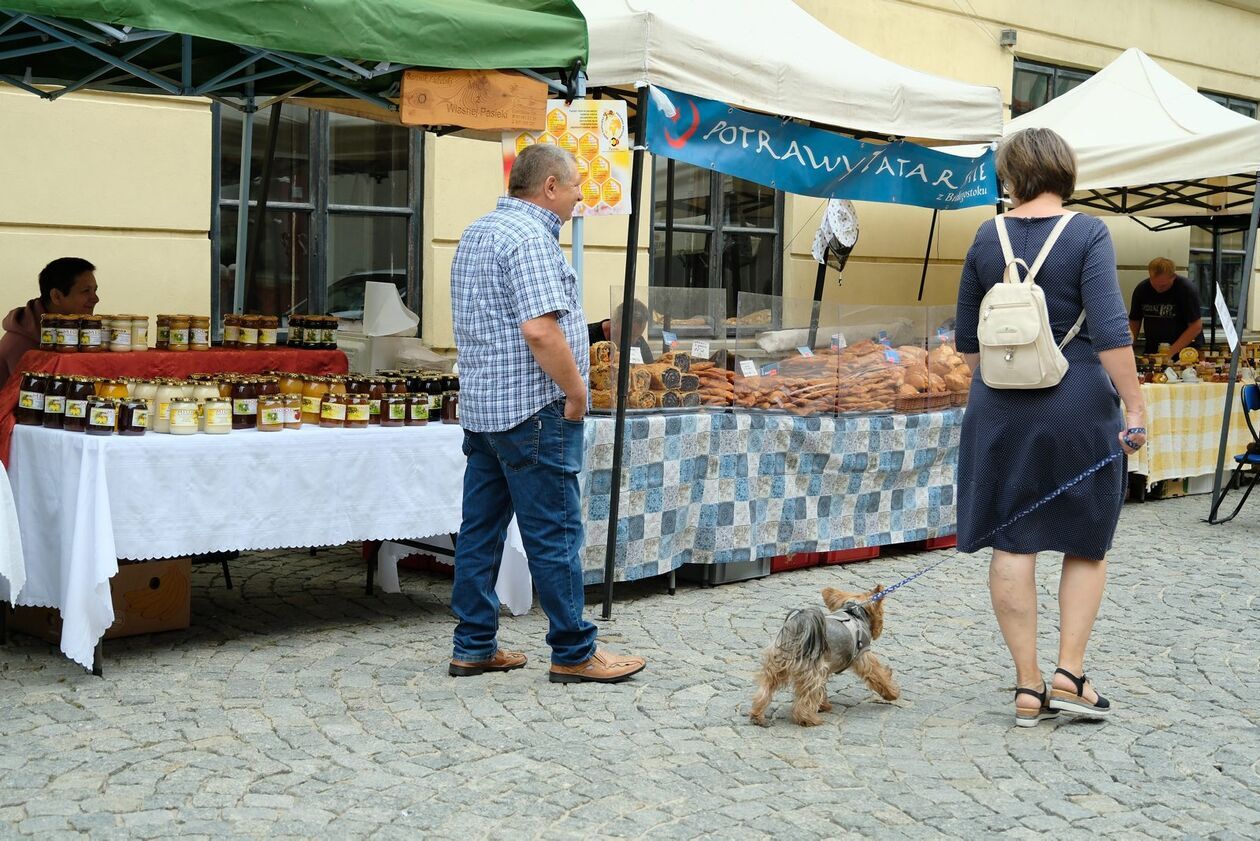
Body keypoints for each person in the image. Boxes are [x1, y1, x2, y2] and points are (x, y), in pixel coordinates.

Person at [954, 128, 1146, 726]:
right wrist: (1135, 407)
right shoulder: (1088, 233)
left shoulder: (988, 236)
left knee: (1014, 539)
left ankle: (1027, 686)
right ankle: (1069, 673)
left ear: (1012, 175)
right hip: (1077, 405)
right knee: (1086, 542)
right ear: (1064, 169)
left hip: (999, 408)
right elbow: (1111, 331)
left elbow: (967, 341)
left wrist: (1007, 384)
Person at [448, 143, 646, 684]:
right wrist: (578, 395)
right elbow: (539, 329)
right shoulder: (532, 240)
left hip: (484, 412)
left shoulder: (477, 232)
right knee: (555, 535)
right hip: (534, 412)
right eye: (577, 185)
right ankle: (575, 651)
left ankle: (473, 644)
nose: (582, 195)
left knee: (479, 534)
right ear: (550, 186)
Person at [0, 257, 98, 386]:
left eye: (95, 290)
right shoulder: (22, 345)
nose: (96, 299)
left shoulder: (72, 333)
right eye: (86, 291)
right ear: (56, 296)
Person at [1128, 257, 1204, 356]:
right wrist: (1129, 347)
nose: (1158, 289)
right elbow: (1134, 321)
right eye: (1154, 284)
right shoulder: (1142, 289)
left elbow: (1195, 326)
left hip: (1185, 351)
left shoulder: (1186, 290)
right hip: (1153, 348)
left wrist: (1170, 353)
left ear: (1173, 276)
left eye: (1163, 285)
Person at [588, 300, 654, 363]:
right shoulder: (588, 336)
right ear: (615, 322)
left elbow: (651, 368)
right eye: (629, 335)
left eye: (637, 336)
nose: (633, 341)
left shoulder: (639, 342)